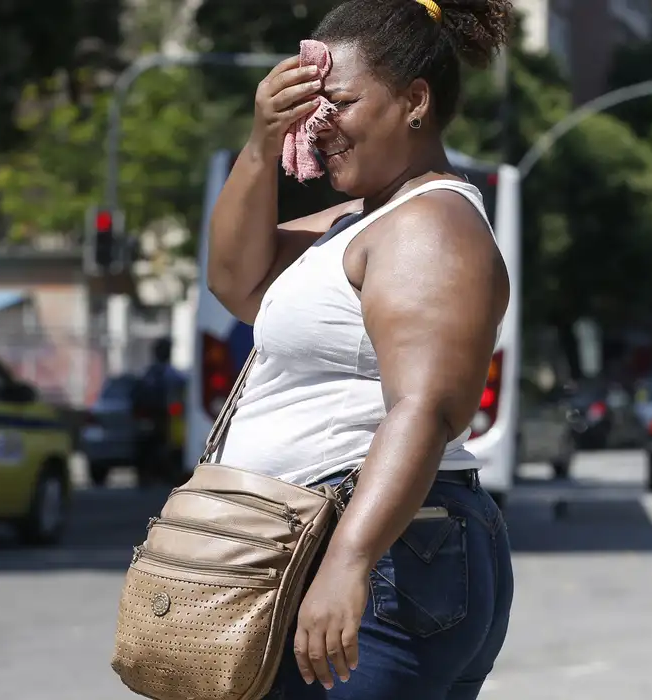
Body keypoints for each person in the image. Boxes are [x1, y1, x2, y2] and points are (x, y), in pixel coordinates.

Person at [205, 1, 514, 698]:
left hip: (382, 553)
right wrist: (261, 144)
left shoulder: (429, 225)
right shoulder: (359, 221)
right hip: (356, 545)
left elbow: (425, 408)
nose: (318, 125)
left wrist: (348, 561)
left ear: (414, 101)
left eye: (338, 103)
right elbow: (235, 280)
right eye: (309, 107)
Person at [131, 338, 187, 486]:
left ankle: (154, 475)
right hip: (163, 418)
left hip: (162, 418)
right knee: (164, 447)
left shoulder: (148, 374)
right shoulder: (170, 375)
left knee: (157, 447)